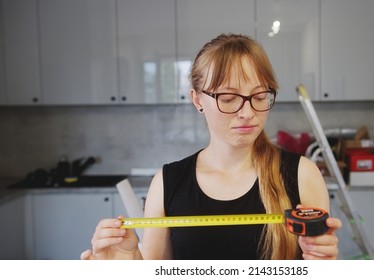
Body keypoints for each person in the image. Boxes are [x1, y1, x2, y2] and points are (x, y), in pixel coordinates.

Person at [81, 33, 341, 260]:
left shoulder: (303, 175)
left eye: (260, 96)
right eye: (228, 98)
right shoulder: (167, 182)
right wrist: (128, 261)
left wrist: (323, 265)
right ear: (197, 100)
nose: (248, 112)